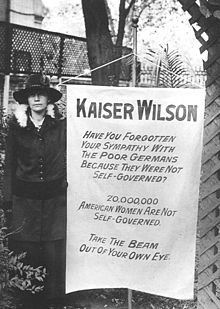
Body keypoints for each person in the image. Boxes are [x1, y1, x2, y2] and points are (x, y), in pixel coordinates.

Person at [3, 73, 67, 309]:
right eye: (32, 94)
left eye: (41, 94)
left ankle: (54, 300)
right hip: (24, 200)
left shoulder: (60, 126)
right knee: (26, 247)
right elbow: (9, 164)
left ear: (49, 99)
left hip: (54, 199)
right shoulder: (17, 127)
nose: (37, 98)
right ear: (27, 100)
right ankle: (27, 299)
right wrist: (7, 201)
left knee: (54, 248)